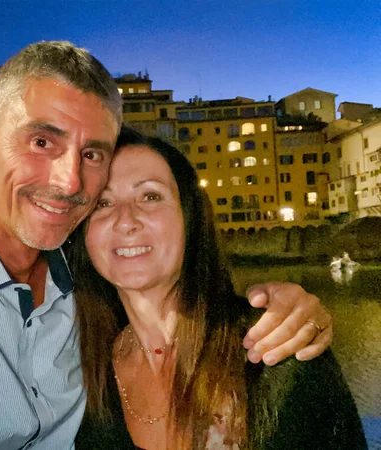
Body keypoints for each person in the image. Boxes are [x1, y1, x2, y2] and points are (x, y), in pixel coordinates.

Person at [0, 41, 331, 449]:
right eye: (42, 140)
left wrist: (290, 310)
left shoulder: (90, 294)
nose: (70, 182)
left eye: (92, 154)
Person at [71, 127, 365, 449]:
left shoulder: (277, 347)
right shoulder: (79, 368)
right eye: (102, 203)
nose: (125, 220)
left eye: (150, 196)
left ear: (190, 218)